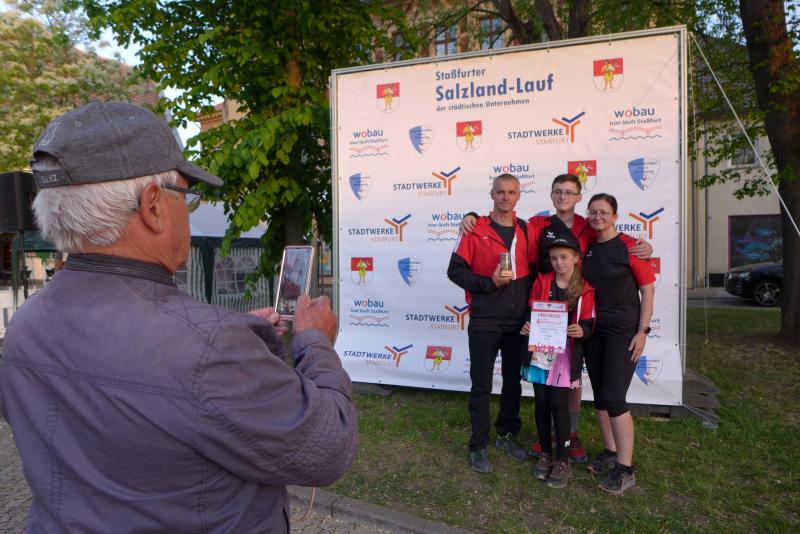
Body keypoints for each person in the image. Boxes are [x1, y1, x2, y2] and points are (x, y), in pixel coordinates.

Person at [0, 101, 358, 532]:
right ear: (152, 206)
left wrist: (235, 338)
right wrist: (315, 342)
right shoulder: (209, 348)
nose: (187, 211)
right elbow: (328, 447)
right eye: (185, 197)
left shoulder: (24, 324)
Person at [460, 174, 652, 464]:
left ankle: (569, 435)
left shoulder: (590, 226)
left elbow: (616, 242)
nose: (563, 197)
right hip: (545, 313)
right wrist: (471, 217)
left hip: (580, 313)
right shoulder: (539, 224)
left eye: (569, 192)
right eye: (558, 192)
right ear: (551, 195)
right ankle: (545, 437)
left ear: (578, 197)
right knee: (545, 375)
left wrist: (644, 246)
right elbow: (508, 223)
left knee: (570, 377)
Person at [447, 173, 531, 474]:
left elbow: (537, 271)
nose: (506, 197)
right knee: (481, 385)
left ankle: (506, 435)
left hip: (517, 321)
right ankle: (478, 445)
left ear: (518, 195)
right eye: (500, 192)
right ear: (492, 194)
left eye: (511, 192)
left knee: (513, 383)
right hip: (485, 319)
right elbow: (455, 271)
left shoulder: (526, 230)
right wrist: (488, 284)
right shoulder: (475, 228)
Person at [581, 193, 655, 495]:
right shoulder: (587, 246)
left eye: (604, 212)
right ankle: (610, 452)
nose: (597, 217)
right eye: (593, 212)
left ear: (615, 216)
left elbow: (648, 291)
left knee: (614, 397)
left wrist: (642, 331)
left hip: (622, 332)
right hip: (593, 330)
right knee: (600, 396)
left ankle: (625, 469)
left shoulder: (630, 246)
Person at [521, 234, 595, 489]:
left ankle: (562, 459)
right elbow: (531, 311)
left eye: (564, 257)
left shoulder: (584, 288)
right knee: (541, 401)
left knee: (559, 404)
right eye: (554, 258)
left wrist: (582, 330)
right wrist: (528, 325)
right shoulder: (542, 281)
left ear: (575, 259)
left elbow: (589, 323)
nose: (558, 262)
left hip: (565, 355)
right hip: (541, 351)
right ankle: (545, 452)